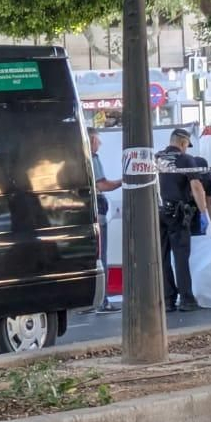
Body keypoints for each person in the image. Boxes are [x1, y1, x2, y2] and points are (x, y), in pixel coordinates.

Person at [156, 127, 211, 312]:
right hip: (178, 213)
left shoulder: (156, 158)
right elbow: (197, 187)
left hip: (158, 212)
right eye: (186, 145)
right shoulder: (186, 159)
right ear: (183, 142)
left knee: (163, 257)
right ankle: (186, 299)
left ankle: (168, 300)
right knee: (181, 257)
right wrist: (203, 212)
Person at [88, 128, 122, 312]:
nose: (99, 144)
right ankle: (103, 300)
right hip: (97, 210)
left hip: (85, 210)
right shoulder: (93, 158)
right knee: (102, 255)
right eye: (97, 140)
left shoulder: (77, 156)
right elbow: (102, 184)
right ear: (91, 140)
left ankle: (89, 301)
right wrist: (123, 180)